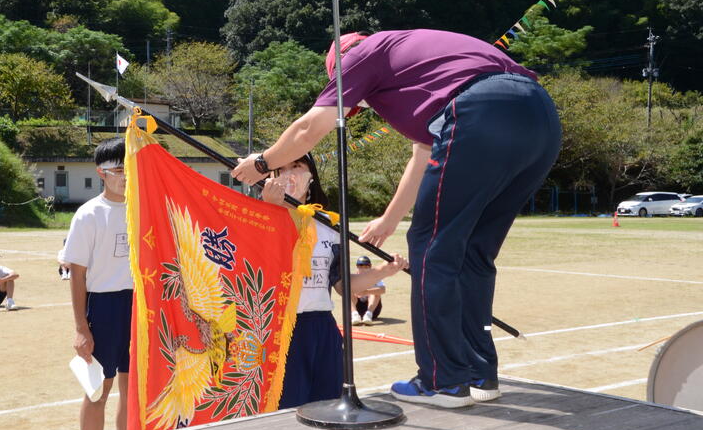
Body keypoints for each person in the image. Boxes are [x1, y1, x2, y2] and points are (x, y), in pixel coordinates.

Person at [233, 29, 561, 408]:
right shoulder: (424, 68)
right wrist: (389, 219)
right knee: (473, 253)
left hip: (479, 114)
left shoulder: (361, 54)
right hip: (541, 118)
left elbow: (311, 128)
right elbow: (423, 156)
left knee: (432, 250)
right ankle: (479, 372)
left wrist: (263, 162)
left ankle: (442, 381)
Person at [260, 153, 408, 408]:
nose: (289, 174)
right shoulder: (260, 218)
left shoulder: (329, 224)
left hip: (322, 327)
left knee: (328, 404)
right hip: (279, 327)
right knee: (284, 410)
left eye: (296, 166)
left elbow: (342, 285)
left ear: (311, 175)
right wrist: (272, 209)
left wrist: (383, 271)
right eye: (281, 169)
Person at [61, 137, 132, 430]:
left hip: (139, 305)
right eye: (118, 170)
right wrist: (81, 328)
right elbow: (77, 275)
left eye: (130, 168)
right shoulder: (89, 214)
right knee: (98, 391)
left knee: (132, 391)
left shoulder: (142, 209)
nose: (125, 176)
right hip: (104, 307)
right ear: (101, 172)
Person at [351, 256, 385, 326]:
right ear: (357, 267)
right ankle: (355, 315)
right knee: (348, 293)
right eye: (360, 266)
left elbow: (383, 290)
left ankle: (368, 315)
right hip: (358, 308)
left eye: (366, 266)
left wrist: (366, 292)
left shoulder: (375, 276)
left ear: (370, 267)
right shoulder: (353, 277)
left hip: (374, 309)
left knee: (375, 292)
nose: (363, 269)